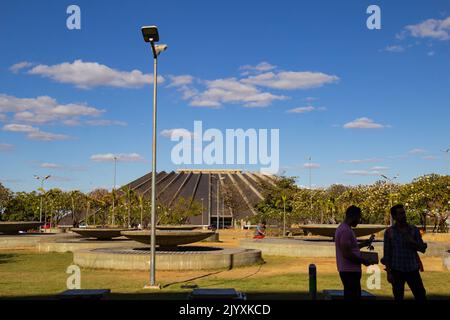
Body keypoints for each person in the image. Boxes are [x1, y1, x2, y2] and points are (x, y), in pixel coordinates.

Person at [381, 204, 427, 300]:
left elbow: (422, 249)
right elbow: (387, 254)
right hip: (396, 271)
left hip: (412, 269)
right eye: (401, 213)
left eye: (404, 213)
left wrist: (412, 241)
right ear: (394, 217)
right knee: (398, 297)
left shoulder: (413, 230)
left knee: (421, 296)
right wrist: (388, 273)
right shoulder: (389, 232)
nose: (404, 215)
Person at [335, 205, 373, 300]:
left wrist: (364, 244)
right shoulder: (345, 230)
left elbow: (350, 248)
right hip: (349, 271)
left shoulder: (346, 229)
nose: (359, 220)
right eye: (359, 217)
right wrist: (363, 261)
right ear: (354, 216)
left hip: (349, 270)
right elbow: (346, 253)